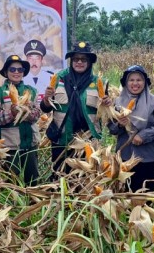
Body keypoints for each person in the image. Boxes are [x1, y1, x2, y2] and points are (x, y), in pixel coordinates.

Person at [40, 41, 111, 172]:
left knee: (84, 178)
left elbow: (107, 112)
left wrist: (107, 105)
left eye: (84, 59)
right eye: (76, 59)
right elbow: (46, 108)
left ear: (89, 62)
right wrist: (46, 99)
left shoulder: (98, 83)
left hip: (88, 140)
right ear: (71, 61)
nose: (79, 62)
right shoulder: (59, 78)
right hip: (62, 138)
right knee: (59, 176)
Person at [107, 65, 154, 193]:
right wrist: (119, 124)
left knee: (146, 195)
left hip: (148, 157)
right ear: (126, 83)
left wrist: (144, 136)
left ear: (145, 82)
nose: (135, 83)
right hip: (125, 157)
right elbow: (111, 129)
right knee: (126, 196)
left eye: (139, 80)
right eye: (131, 80)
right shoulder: (117, 103)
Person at [0, 55, 41, 184]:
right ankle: (14, 204)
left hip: (30, 144)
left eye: (20, 69)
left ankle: (32, 203)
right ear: (6, 72)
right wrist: (12, 113)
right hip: (9, 146)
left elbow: (37, 114)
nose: (16, 72)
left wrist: (26, 112)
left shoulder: (31, 91)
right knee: (12, 182)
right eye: (12, 69)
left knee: (32, 181)